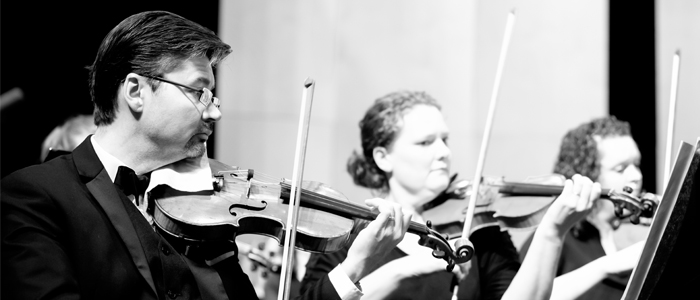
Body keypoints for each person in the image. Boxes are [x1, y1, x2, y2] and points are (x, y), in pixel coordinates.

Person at [1, 11, 411, 300]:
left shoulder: (202, 208)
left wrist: (352, 266)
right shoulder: (33, 197)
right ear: (136, 91)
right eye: (200, 92)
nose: (215, 110)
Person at [300, 90, 602, 300]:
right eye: (425, 143)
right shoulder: (348, 239)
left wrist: (552, 233)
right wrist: (407, 269)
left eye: (445, 140)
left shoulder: (477, 229)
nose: (444, 152)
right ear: (383, 158)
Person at [518, 116, 655, 300]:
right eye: (620, 168)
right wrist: (605, 266)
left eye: (636, 164)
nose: (636, 175)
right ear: (588, 175)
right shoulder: (555, 240)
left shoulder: (636, 231)